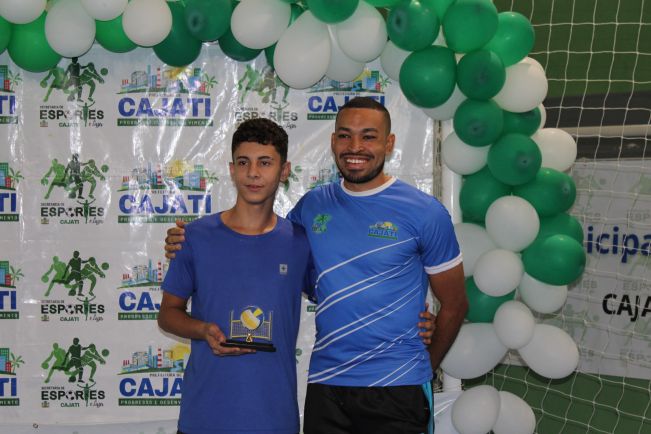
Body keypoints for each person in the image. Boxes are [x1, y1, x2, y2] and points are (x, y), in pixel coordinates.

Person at [164, 100, 459, 434]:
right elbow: (263, 252)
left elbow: (455, 303)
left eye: (368, 136)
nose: (355, 147)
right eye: (345, 136)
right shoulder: (310, 210)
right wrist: (183, 240)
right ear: (333, 142)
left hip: (397, 387)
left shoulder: (424, 211)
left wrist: (422, 365)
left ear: (389, 143)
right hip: (326, 387)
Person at [158, 118, 312, 434]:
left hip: (274, 420)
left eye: (265, 162)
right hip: (204, 420)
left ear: (284, 171)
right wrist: (203, 330)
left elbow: (339, 295)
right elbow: (168, 314)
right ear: (231, 169)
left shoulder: (300, 242)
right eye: (244, 162)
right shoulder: (194, 236)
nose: (253, 172)